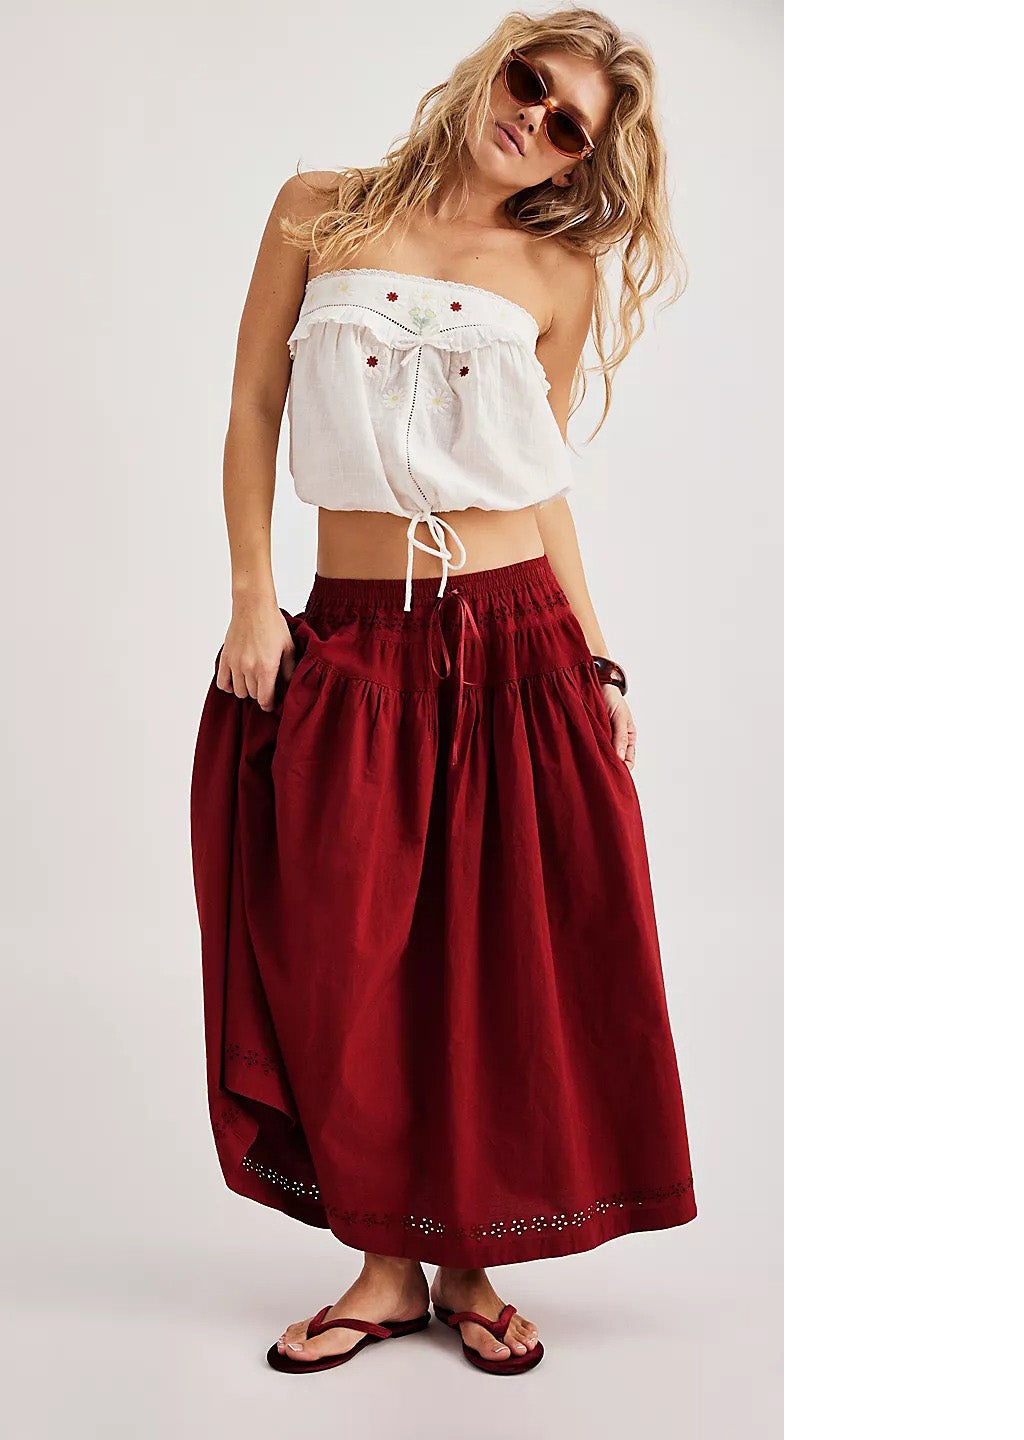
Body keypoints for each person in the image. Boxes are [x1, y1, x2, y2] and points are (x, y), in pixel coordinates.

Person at [190, 7, 696, 1377]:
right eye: (531, 82)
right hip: (354, 639)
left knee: (490, 967)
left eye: (570, 125)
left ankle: (462, 1262)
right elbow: (250, 411)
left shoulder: (557, 270)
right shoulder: (319, 208)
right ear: (494, 65)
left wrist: (596, 656)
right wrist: (253, 600)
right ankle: (382, 1263)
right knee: (346, 959)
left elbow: (540, 478)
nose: (534, 118)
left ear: (578, 160)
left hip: (512, 638)